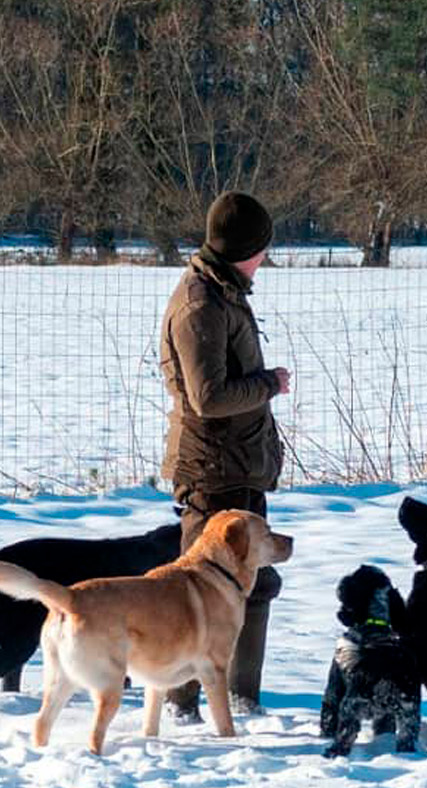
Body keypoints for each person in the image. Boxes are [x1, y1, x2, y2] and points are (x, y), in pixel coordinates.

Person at [159, 190, 291, 722]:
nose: (265, 258)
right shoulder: (201, 305)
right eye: (261, 248)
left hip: (238, 465)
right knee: (195, 590)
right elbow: (207, 398)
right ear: (244, 249)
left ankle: (241, 700)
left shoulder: (225, 292)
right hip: (213, 471)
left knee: (253, 584)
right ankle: (182, 706)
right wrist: (268, 383)